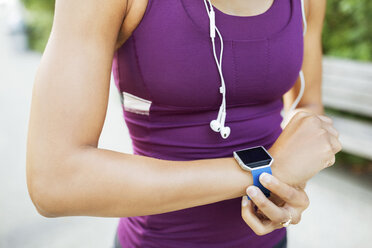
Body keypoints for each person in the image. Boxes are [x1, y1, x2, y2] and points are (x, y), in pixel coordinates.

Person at [26, 0, 341, 247]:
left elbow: (307, 109)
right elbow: (56, 180)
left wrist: (287, 186)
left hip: (273, 242)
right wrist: (265, 173)